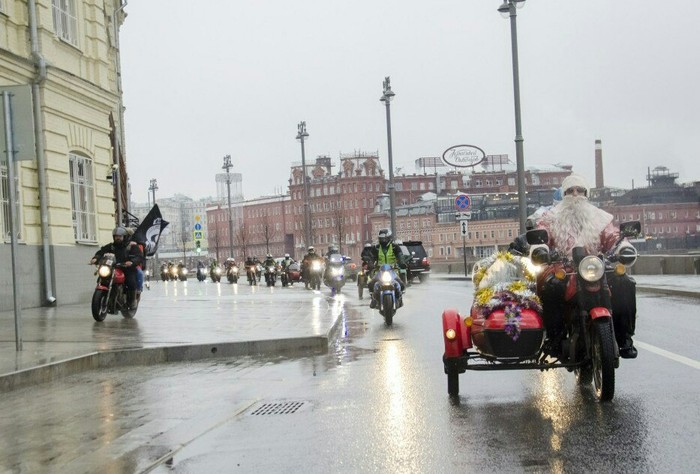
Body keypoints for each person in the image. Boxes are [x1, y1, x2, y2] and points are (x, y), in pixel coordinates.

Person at [534, 174, 638, 359]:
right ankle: (554, 339)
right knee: (551, 286)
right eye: (570, 191)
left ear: (586, 194)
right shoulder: (550, 217)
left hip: (595, 266)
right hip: (564, 266)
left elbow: (612, 236)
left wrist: (623, 247)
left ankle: (624, 338)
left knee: (625, 282)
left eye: (580, 191)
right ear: (563, 194)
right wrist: (541, 248)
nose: (575, 195)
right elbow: (543, 234)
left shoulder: (599, 217)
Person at [90, 226, 143, 310]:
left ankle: (131, 302)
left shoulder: (131, 247)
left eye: (120, 236)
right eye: (116, 236)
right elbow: (101, 252)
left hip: (127, 269)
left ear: (124, 237)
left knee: (131, 282)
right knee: (103, 277)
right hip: (112, 268)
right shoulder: (111, 247)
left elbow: (139, 256)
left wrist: (132, 262)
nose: (117, 238)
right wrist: (96, 258)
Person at [368, 229, 406, 309]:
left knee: (401, 284)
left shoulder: (395, 247)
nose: (383, 240)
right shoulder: (376, 248)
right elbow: (371, 257)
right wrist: (370, 263)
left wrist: (402, 263)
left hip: (392, 271)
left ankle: (400, 298)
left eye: (384, 238)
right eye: (381, 238)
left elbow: (400, 255)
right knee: (371, 284)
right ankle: (373, 299)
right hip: (380, 271)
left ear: (388, 237)